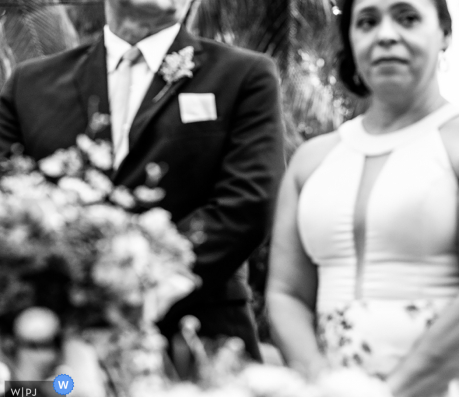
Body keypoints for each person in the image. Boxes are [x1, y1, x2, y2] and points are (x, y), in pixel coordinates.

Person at [266, 0, 459, 397]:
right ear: (352, 39)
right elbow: (286, 293)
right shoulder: (310, 161)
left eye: (408, 17)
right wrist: (325, 390)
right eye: (367, 21)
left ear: (445, 33)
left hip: (455, 394)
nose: (386, 34)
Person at [0, 0, 285, 361]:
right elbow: (7, 204)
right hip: (53, 350)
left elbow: (248, 204)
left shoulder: (244, 75)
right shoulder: (29, 84)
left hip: (198, 341)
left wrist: (135, 285)